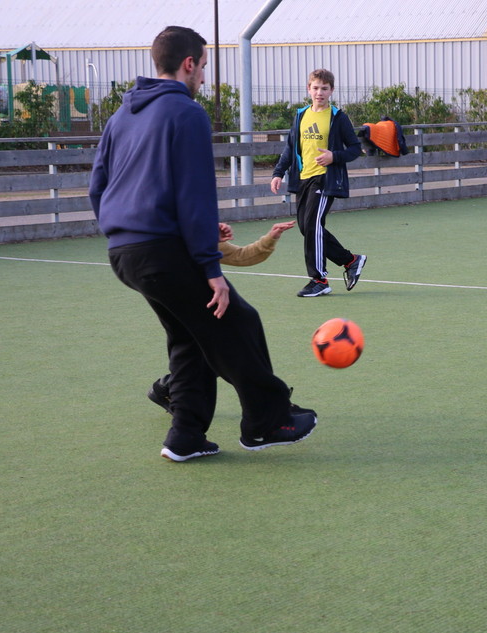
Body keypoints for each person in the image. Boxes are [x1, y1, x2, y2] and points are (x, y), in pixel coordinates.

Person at [89, 26, 316, 462]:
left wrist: (127, 229)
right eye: (204, 67)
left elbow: (98, 186)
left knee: (190, 337)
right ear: (189, 64)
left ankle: (186, 436)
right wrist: (212, 271)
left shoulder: (121, 117)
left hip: (125, 252)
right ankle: (267, 422)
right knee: (238, 323)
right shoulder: (186, 113)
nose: (205, 77)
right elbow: (195, 193)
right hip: (161, 250)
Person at [147, 219, 298, 411]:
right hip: (172, 282)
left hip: (182, 282)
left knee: (216, 344)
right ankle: (269, 402)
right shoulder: (174, 227)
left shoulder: (200, 231)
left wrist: (271, 237)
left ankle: (170, 388)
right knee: (238, 331)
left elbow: (240, 256)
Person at [270, 68, 366, 298]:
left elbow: (355, 148)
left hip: (325, 180)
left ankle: (319, 279)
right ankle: (350, 260)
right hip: (303, 179)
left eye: (324, 88)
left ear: (331, 90)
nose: (319, 92)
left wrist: (334, 156)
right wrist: (278, 172)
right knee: (307, 228)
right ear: (308, 89)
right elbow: (290, 147)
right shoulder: (301, 116)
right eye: (315, 88)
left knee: (312, 226)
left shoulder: (338, 118)